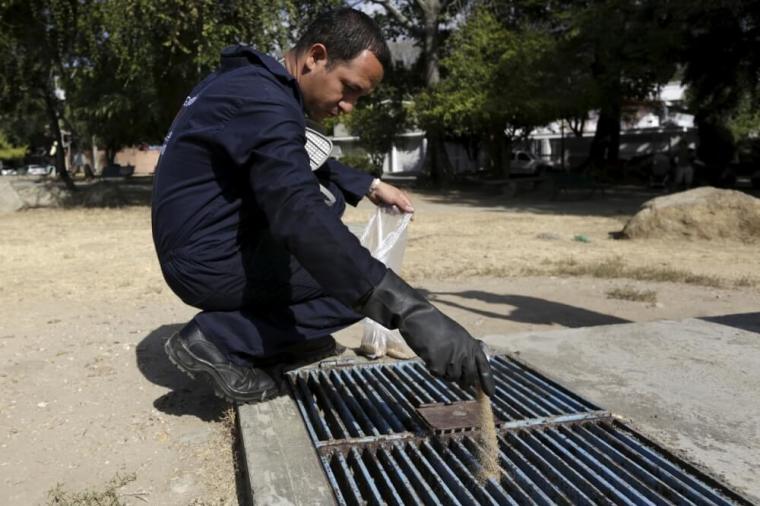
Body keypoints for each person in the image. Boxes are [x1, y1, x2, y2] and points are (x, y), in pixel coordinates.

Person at [152, 8, 494, 404]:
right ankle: (217, 339)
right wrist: (413, 313)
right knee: (346, 277)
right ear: (316, 57)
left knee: (334, 220)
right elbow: (299, 213)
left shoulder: (252, 83)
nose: (349, 106)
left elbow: (285, 155)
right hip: (205, 259)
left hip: (199, 243)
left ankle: (279, 340)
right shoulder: (265, 100)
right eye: (348, 88)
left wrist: (368, 183)